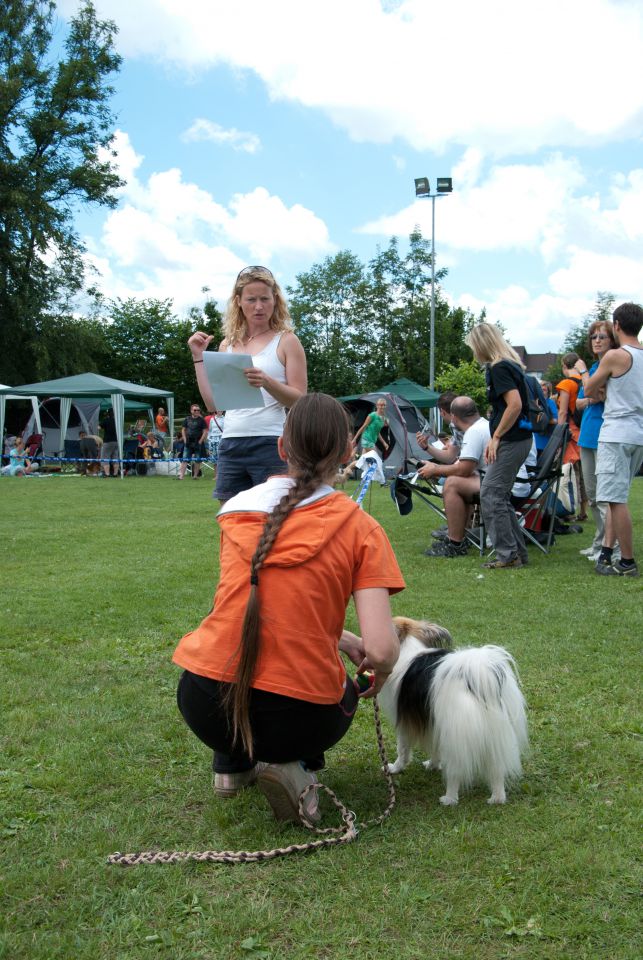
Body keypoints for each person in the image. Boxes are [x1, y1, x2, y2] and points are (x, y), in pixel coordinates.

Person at [173, 393, 404, 824]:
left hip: (203, 701)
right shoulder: (360, 527)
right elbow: (383, 651)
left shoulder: (234, 511)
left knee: (242, 665)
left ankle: (230, 767)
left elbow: (252, 604)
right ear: (349, 453)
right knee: (331, 690)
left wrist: (337, 636)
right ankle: (293, 769)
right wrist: (382, 669)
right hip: (298, 716)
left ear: (281, 448)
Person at [188, 266, 308, 501]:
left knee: (274, 520)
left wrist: (267, 382)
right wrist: (197, 357)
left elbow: (301, 400)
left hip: (273, 442)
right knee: (231, 519)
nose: (259, 306)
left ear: (275, 299)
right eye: (251, 299)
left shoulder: (287, 341)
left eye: (265, 298)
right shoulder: (227, 345)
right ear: (238, 302)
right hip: (231, 443)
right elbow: (213, 403)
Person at [466, 323, 532, 570]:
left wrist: (496, 437)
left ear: (482, 345)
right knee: (499, 495)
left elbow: (514, 405)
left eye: (474, 347)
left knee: (491, 494)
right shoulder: (509, 365)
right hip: (518, 439)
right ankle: (517, 553)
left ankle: (508, 555)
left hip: (512, 440)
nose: (474, 352)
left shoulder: (499, 367)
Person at [583, 302, 643, 577]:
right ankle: (606, 551)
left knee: (614, 501)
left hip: (616, 433)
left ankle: (627, 561)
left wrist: (585, 372)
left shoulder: (616, 356)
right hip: (637, 434)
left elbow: (589, 388)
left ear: (616, 325)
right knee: (616, 495)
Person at [419, 397, 490, 558]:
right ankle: (459, 538)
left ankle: (455, 544)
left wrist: (435, 469)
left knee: (452, 484)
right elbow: (461, 464)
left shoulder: (474, 432)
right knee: (457, 481)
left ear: (454, 417)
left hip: (498, 485)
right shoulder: (484, 425)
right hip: (501, 480)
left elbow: (464, 469)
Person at [575, 320, 619, 562]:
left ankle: (613, 547)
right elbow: (582, 401)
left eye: (603, 336)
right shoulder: (594, 367)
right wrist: (592, 393)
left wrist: (585, 379)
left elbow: (596, 393)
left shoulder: (613, 364)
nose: (598, 341)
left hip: (606, 435)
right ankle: (600, 542)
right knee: (592, 495)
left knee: (606, 496)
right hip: (587, 435)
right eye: (594, 337)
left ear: (612, 340)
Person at [556, 352, 587, 519]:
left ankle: (568, 509)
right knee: (583, 474)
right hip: (584, 432)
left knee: (568, 473)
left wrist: (558, 435)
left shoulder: (567, 384)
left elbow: (562, 412)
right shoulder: (585, 382)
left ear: (564, 366)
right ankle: (583, 511)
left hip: (571, 433)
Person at [342, 397, 389, 479]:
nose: (382, 407)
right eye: (380, 405)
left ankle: (346, 469)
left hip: (372, 441)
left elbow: (377, 432)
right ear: (377, 406)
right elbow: (363, 427)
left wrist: (384, 443)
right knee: (376, 459)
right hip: (366, 439)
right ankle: (382, 480)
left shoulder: (383, 418)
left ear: (385, 406)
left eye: (383, 405)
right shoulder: (372, 415)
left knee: (362, 461)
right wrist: (354, 439)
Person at [415, 391, 462, 465]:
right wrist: (426, 447)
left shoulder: (459, 427)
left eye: (440, 412)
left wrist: (435, 468)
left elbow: (464, 468)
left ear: (442, 412)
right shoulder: (456, 426)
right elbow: (449, 457)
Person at [179, 404, 207, 480]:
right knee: (185, 459)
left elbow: (205, 431)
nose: (197, 411)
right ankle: (181, 476)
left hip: (198, 441)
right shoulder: (187, 419)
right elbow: (183, 429)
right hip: (188, 441)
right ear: (191, 411)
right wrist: (184, 440)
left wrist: (200, 441)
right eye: (195, 410)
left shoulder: (202, 420)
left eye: (198, 410)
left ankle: (195, 476)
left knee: (197, 460)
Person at [99, 408, 119, 477]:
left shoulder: (106, 420)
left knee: (105, 457)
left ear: (108, 414)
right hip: (116, 441)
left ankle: (107, 474)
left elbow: (99, 427)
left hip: (107, 441)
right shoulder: (117, 420)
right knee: (115, 457)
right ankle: (115, 474)